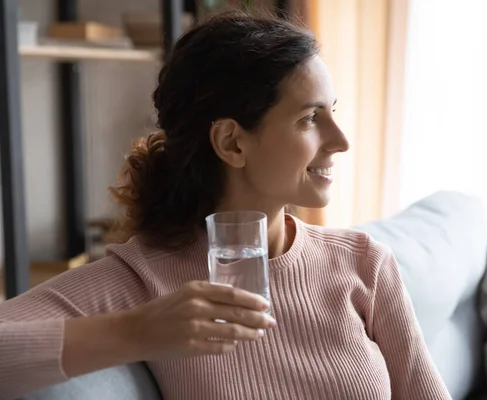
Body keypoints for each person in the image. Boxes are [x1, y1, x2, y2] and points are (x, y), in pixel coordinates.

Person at [0, 11, 451, 400]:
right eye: (310, 118)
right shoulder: (144, 280)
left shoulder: (365, 264)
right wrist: (136, 332)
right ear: (232, 142)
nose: (342, 141)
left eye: (333, 112)